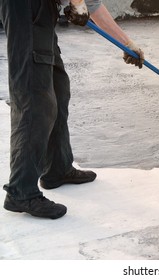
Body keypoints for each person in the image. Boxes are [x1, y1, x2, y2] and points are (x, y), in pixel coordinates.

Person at [0, 0, 144, 219]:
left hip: (41, 10)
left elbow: (92, 4)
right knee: (35, 97)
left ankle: (57, 168)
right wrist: (77, 3)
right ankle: (21, 191)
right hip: (25, 7)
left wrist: (127, 44)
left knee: (58, 87)